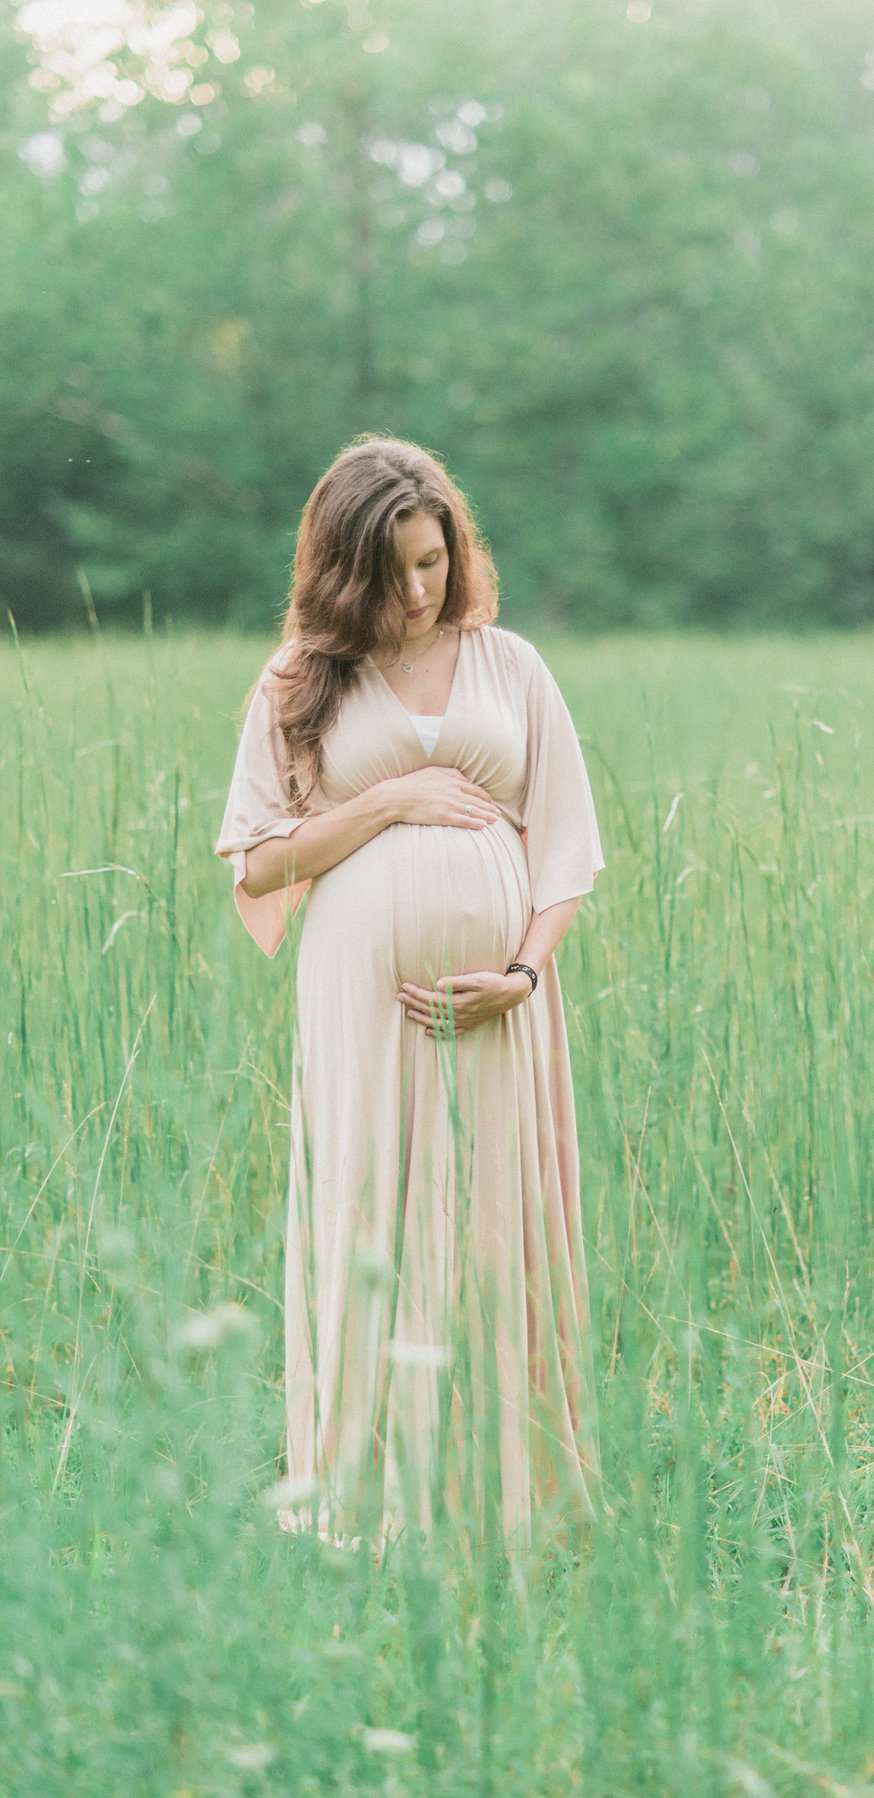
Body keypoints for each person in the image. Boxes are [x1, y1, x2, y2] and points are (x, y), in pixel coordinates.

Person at [215, 436, 604, 1549]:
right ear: (343, 571)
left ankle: (510, 1494)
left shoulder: (512, 666)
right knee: (370, 1214)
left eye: (435, 563)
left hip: (499, 1008)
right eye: (394, 574)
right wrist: (392, 802)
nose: (421, 590)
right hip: (361, 1006)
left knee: (493, 1223)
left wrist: (523, 974)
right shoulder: (299, 680)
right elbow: (257, 864)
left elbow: (565, 846)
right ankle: (371, 1499)